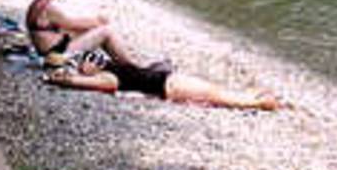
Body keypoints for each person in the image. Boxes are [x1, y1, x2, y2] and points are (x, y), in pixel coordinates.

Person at [45, 50, 282, 110]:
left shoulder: (109, 68)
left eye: (93, 58)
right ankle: (259, 103)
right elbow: (87, 83)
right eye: (88, 61)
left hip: (170, 80)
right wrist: (61, 79)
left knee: (215, 91)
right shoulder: (107, 77)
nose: (92, 62)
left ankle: (254, 97)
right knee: (216, 95)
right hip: (169, 86)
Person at [26, 0, 138, 65]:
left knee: (93, 29)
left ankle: (123, 58)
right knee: (106, 32)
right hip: (57, 53)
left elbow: (65, 26)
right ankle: (130, 65)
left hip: (53, 49)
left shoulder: (35, 4)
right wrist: (98, 21)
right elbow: (71, 24)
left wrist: (94, 23)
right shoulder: (48, 8)